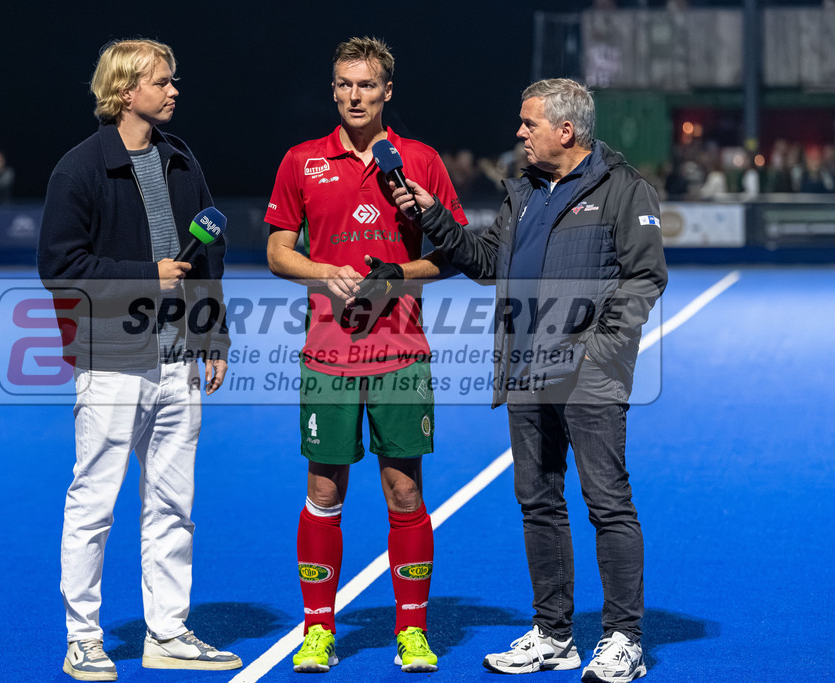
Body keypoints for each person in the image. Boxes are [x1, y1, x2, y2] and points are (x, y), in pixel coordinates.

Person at [391, 78, 667, 683]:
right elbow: (486, 262)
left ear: (565, 131)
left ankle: (623, 638)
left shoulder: (622, 189)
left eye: (528, 123)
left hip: (588, 379)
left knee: (607, 505)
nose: (519, 132)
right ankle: (554, 634)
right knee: (538, 503)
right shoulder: (523, 195)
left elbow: (644, 280)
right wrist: (434, 216)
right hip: (525, 373)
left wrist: (601, 352)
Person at [37, 38, 239, 681]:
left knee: (173, 504)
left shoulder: (182, 160)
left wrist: (213, 333)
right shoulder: (79, 169)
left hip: (180, 362)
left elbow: (208, 258)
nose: (174, 89)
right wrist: (144, 276)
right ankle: (84, 637)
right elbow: (59, 269)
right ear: (125, 90)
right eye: (162, 81)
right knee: (94, 503)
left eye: (173, 79)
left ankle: (168, 633)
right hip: (114, 358)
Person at [265, 36, 467, 674]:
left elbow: (451, 253)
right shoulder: (301, 161)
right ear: (334, 90)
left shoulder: (420, 162)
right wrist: (324, 272)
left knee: (404, 491)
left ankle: (412, 631)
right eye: (345, 85)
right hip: (327, 354)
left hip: (401, 353)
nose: (355, 96)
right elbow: (277, 251)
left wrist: (396, 276)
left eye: (367, 86)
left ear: (387, 93)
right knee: (324, 488)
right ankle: (318, 630)